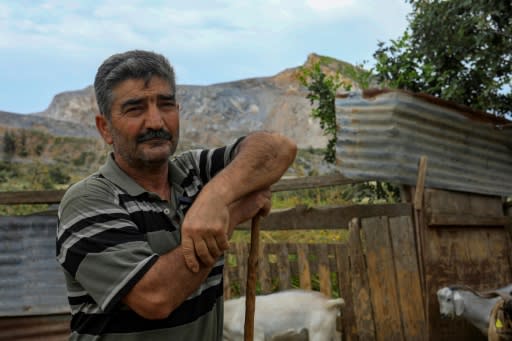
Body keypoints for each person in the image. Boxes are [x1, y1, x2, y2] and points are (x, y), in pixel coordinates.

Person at [55, 49, 297, 340]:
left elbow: (278, 148)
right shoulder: (87, 201)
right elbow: (155, 297)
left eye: (166, 105)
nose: (156, 122)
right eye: (135, 109)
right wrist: (231, 213)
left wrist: (213, 199)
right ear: (105, 128)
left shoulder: (195, 172)